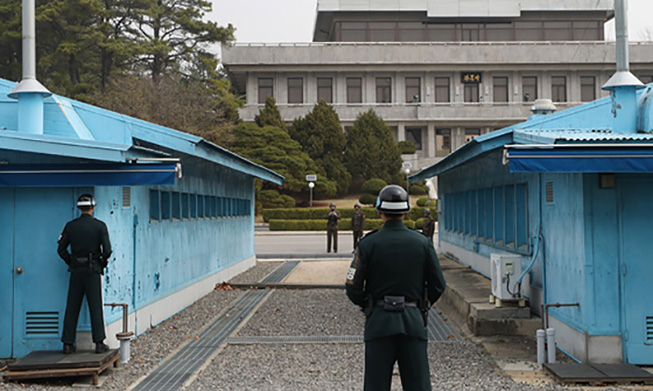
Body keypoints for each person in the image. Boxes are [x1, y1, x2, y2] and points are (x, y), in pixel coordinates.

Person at [345, 185, 446, 391]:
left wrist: (369, 307)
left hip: (379, 323)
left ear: (379, 211)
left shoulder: (368, 244)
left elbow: (353, 287)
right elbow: (438, 285)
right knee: (418, 385)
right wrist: (420, 307)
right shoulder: (422, 243)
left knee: (376, 385)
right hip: (413, 322)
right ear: (406, 211)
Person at [57, 194, 112, 354]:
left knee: (72, 306)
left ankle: (67, 344)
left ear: (79, 208)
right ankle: (99, 343)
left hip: (76, 270)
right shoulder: (100, 226)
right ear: (93, 207)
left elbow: (61, 249)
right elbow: (107, 250)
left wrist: (71, 261)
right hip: (92, 270)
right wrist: (100, 263)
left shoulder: (70, 226)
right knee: (95, 306)